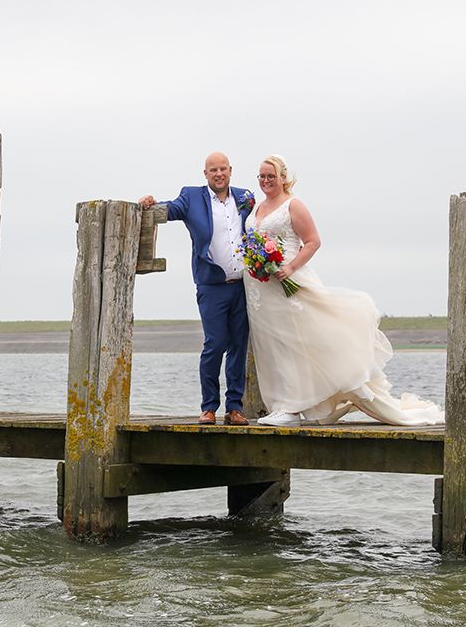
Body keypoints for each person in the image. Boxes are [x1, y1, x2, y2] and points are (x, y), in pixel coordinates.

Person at [245, 155, 443, 427]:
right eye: (262, 176)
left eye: (271, 176)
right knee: (273, 346)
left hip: (288, 281)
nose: (266, 181)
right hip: (261, 290)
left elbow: (313, 241)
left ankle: (293, 407)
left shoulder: (293, 205)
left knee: (297, 342)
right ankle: (282, 405)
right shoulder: (257, 206)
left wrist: (290, 268)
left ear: (282, 178)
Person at [139, 152, 255, 425]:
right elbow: (169, 209)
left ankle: (235, 408)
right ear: (205, 173)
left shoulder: (245, 198)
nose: (218, 174)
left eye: (223, 169)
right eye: (213, 170)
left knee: (239, 346)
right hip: (212, 285)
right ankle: (209, 407)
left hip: (244, 285)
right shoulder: (192, 197)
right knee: (215, 344)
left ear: (230, 171)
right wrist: (151, 202)